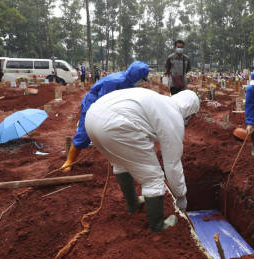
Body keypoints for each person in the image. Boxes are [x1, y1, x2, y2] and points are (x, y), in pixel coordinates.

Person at [85, 88, 200, 232]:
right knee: (153, 178)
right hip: (117, 124)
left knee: (120, 162)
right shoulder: (174, 116)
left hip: (92, 118)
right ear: (190, 110)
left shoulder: (161, 101)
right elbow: (172, 164)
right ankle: (158, 226)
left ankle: (133, 203)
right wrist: (180, 194)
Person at [61, 61, 150, 173]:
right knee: (84, 133)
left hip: (111, 105)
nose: (141, 82)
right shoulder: (115, 81)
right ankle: (69, 161)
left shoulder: (129, 82)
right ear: (136, 76)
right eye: (141, 79)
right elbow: (102, 101)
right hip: (94, 102)